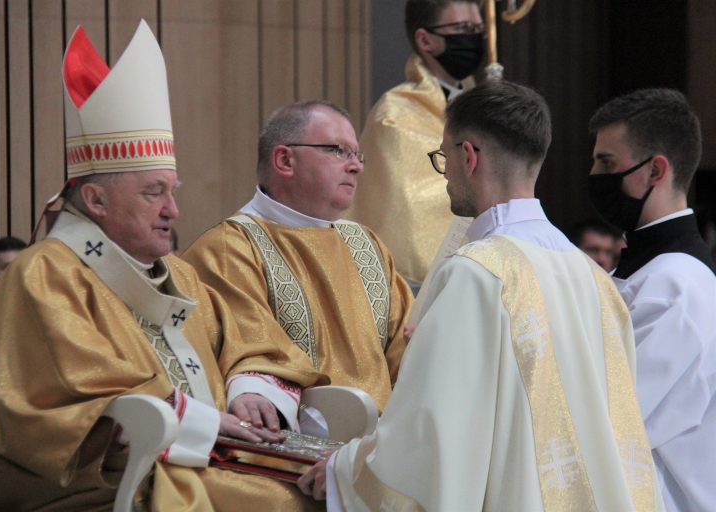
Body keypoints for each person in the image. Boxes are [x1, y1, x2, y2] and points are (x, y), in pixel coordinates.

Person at [0, 20, 321, 511]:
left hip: (206, 460)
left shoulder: (179, 274)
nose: (173, 210)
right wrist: (201, 423)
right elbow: (65, 397)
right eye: (153, 193)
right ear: (96, 200)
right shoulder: (45, 273)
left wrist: (246, 386)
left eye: (173, 191)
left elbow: (247, 338)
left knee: (333, 484)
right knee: (286, 502)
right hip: (114, 482)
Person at [299, 81, 662, 511]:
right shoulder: (597, 281)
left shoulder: (477, 273)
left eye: (443, 158)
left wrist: (345, 469)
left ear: (468, 156)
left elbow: (432, 435)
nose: (445, 174)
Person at [182, 100, 413, 435]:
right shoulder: (229, 248)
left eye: (357, 155)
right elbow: (251, 351)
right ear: (285, 160)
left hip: (384, 442)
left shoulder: (367, 246)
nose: (356, 167)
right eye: (338, 151)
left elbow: (406, 349)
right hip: (291, 443)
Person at [588, 87, 716, 512]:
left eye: (607, 163)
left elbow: (610, 420)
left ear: (655, 170)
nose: (594, 174)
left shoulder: (676, 288)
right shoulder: (647, 272)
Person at [347, 0, 485, 288]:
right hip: (422, 286)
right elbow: (405, 214)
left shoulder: (486, 108)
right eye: (463, 28)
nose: (474, 38)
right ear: (425, 40)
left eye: (478, 29)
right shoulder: (394, 115)